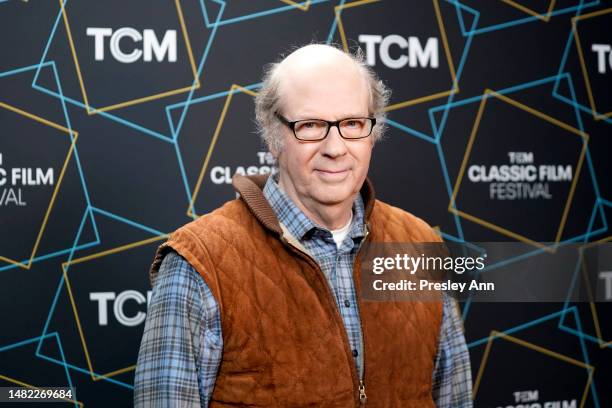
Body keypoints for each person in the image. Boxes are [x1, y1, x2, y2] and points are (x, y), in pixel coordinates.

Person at [134, 43, 472, 407]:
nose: (335, 147)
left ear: (373, 131)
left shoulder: (419, 244)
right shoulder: (200, 261)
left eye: (353, 123)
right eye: (311, 125)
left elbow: (454, 398)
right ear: (272, 136)